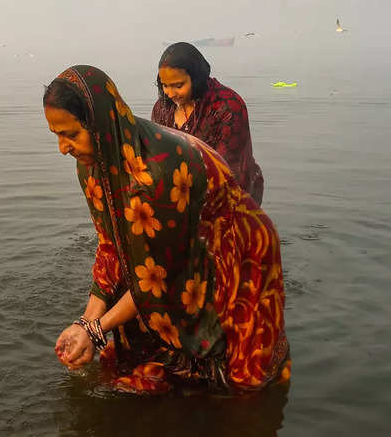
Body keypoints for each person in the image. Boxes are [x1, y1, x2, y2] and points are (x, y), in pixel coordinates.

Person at [45, 65, 289, 394]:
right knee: (146, 352)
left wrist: (96, 331)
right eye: (57, 136)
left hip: (233, 240)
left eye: (71, 135)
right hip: (183, 242)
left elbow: (161, 274)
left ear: (101, 125)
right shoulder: (92, 165)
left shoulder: (156, 173)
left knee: (243, 377)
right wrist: (86, 321)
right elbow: (110, 245)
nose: (63, 148)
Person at [151, 42, 264, 205]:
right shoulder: (162, 108)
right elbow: (156, 156)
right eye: (165, 85)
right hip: (181, 196)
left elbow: (227, 170)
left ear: (196, 79)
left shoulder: (227, 107)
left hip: (232, 197)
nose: (170, 94)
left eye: (178, 85)